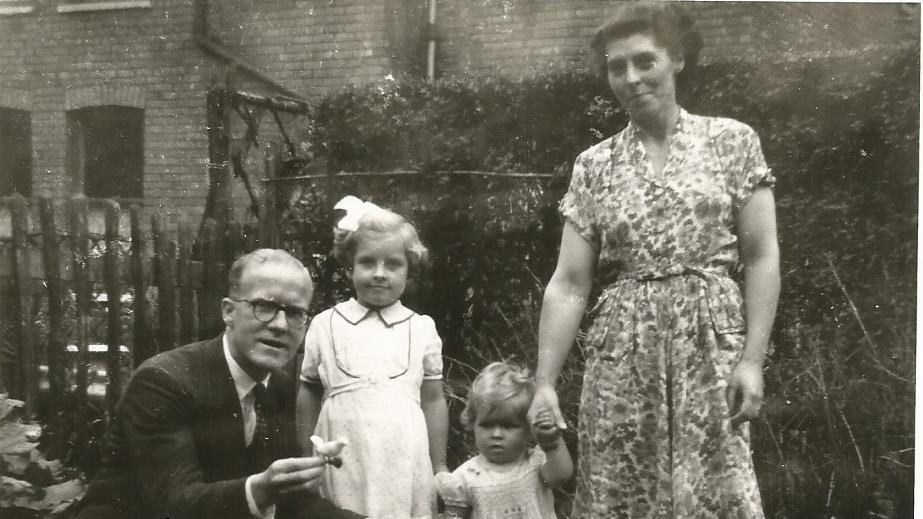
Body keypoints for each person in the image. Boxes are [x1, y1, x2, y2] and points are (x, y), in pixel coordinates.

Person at [527, 3, 780, 518]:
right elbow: (571, 283)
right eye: (616, 67)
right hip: (624, 350)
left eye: (646, 61)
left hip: (710, 344)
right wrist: (544, 383)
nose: (631, 77)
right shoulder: (594, 165)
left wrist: (752, 360)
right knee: (622, 490)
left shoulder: (732, 141)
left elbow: (761, 257)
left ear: (677, 59)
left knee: (716, 489)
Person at [76, 249, 366, 519]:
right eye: (264, 306)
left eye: (294, 313)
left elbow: (291, 501)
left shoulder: (282, 385)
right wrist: (260, 488)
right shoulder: (163, 381)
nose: (280, 325)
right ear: (228, 312)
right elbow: (173, 503)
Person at [296, 197, 449, 519]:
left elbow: (433, 400)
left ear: (409, 268)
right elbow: (308, 391)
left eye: (393, 264)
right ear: (350, 263)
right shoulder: (326, 324)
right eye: (368, 262)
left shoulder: (421, 328)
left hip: (403, 456)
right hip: (342, 454)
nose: (380, 273)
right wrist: (305, 454)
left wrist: (439, 465)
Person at [434, 362, 573, 519]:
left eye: (509, 426)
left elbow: (561, 475)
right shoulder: (465, 478)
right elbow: (455, 515)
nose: (497, 434)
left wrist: (550, 441)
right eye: (486, 425)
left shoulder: (535, 465)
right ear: (473, 424)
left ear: (528, 429)